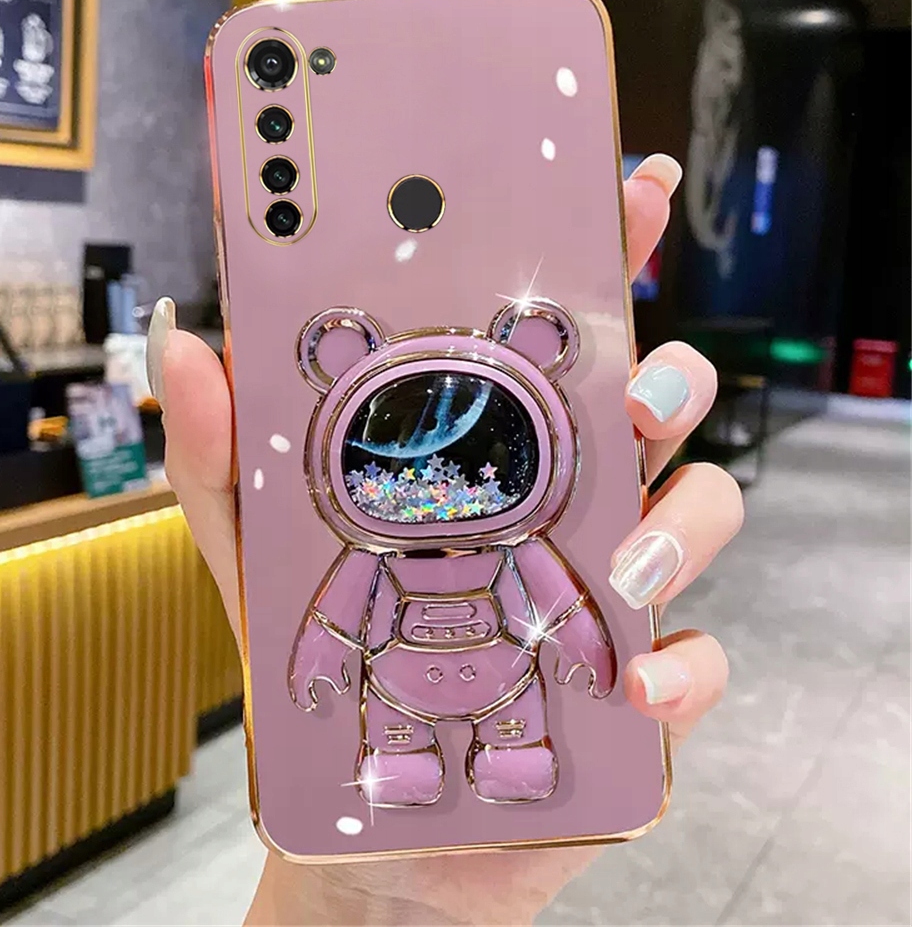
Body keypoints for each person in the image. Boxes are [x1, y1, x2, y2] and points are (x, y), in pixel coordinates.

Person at [146, 154, 744, 926]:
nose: (437, 481)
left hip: (506, 678)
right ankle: (399, 754)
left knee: (516, 737)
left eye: (470, 454)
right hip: (399, 681)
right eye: (397, 459)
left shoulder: (518, 546)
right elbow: (334, 616)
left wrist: (590, 646)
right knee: (397, 742)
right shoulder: (370, 557)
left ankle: (512, 752)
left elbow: (562, 604)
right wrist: (317, 662)